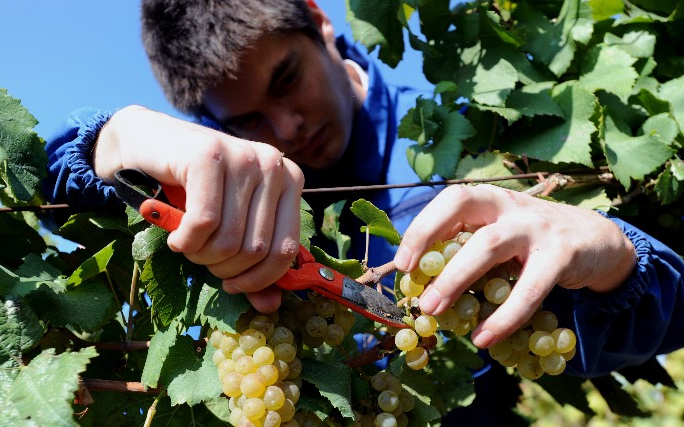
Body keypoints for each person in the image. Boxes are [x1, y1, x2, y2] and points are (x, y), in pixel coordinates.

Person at [45, 0, 684, 385]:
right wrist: (105, 140)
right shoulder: (229, 196)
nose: (286, 128)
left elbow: (664, 322)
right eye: (246, 122)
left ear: (319, 22)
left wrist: (617, 259)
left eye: (287, 78)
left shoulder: (467, 130)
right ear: (215, 126)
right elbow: (37, 183)